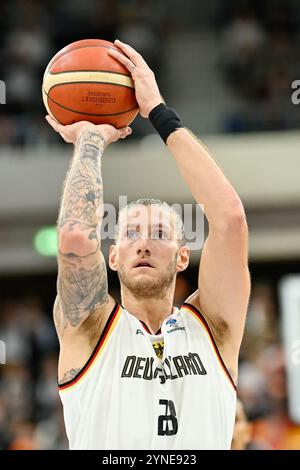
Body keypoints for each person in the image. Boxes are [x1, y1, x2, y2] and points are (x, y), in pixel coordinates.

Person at [46, 39, 250, 450]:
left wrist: (159, 112)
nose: (143, 244)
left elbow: (229, 219)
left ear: (181, 257)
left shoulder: (213, 328)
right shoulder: (91, 329)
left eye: (159, 234)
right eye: (131, 234)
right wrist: (90, 138)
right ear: (113, 256)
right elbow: (73, 236)